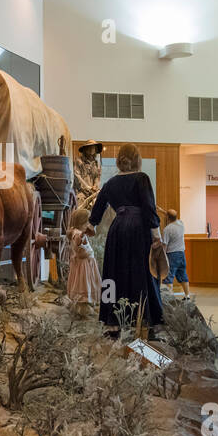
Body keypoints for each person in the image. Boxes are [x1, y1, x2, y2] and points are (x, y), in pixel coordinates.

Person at [86, 143, 164, 335]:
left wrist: (91, 225)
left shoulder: (110, 183)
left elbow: (98, 209)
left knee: (112, 273)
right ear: (137, 159)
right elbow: (148, 207)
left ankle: (112, 323)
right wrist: (157, 236)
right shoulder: (142, 178)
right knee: (143, 273)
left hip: (118, 230)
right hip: (139, 230)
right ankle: (145, 322)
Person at [64, 208, 101, 318]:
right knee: (84, 284)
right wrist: (83, 235)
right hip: (84, 265)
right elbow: (78, 241)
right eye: (88, 222)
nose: (89, 225)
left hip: (85, 263)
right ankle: (83, 307)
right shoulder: (78, 234)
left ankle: (87, 304)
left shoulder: (76, 232)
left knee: (86, 284)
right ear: (82, 222)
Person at [160, 208, 191, 298]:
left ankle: (169, 298)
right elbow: (171, 215)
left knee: (168, 277)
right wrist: (162, 211)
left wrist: (163, 257)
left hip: (171, 255)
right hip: (181, 253)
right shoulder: (181, 224)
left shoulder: (167, 229)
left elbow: (164, 245)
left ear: (167, 218)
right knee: (183, 275)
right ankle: (187, 296)